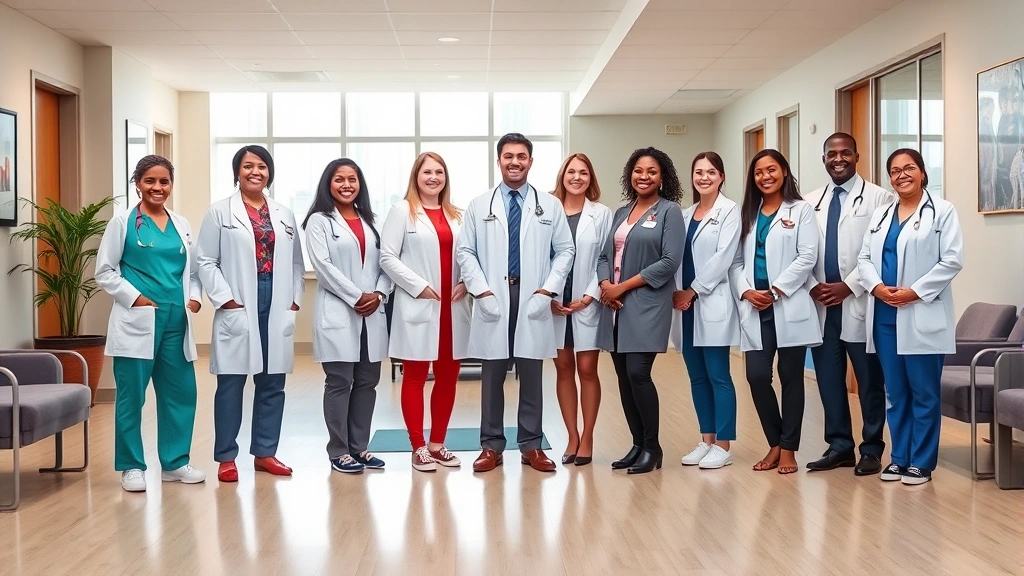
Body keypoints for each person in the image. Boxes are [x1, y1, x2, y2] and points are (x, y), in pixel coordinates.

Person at [456, 132, 575, 474]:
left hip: (532, 297)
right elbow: (465, 251)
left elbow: (565, 250)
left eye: (521, 156)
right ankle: (491, 446)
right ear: (499, 161)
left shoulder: (549, 205)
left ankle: (532, 446)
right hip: (493, 295)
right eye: (508, 156)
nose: (515, 162)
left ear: (531, 162)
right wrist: (481, 291)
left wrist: (548, 290)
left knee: (531, 375)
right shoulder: (480, 205)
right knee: (492, 375)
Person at [95, 155, 206, 492]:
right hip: (138, 320)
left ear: (171, 185)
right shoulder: (123, 222)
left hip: (176, 320)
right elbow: (104, 271)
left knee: (181, 393)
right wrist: (136, 298)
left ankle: (174, 463)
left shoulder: (181, 223)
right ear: (138, 184)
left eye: (164, 182)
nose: (158, 188)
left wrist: (196, 297)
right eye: (150, 181)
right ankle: (131, 466)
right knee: (132, 397)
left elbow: (196, 270)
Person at [196, 145, 304, 483]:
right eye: (247, 166)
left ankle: (265, 452)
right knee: (231, 382)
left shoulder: (284, 214)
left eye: (261, 166)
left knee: (273, 381)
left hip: (277, 298)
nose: (255, 172)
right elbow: (205, 261)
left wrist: (294, 299)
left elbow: (298, 263)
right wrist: (225, 299)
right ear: (237, 172)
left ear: (269, 172)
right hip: (239, 298)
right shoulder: (219, 212)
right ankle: (227, 457)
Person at [859, 148, 963, 485]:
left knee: (924, 392)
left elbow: (951, 260)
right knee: (896, 392)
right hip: (885, 316)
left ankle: (921, 462)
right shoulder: (881, 215)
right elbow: (864, 258)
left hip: (921, 312)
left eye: (909, 168)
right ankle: (899, 458)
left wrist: (914, 292)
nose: (902, 175)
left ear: (922, 172)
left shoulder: (942, 212)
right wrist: (876, 287)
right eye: (894, 170)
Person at [803, 133, 893, 476]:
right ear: (823, 158)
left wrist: (848, 286)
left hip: (860, 301)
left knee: (870, 382)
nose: (837, 159)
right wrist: (812, 286)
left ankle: (871, 449)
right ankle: (839, 446)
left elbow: (880, 252)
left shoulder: (879, 198)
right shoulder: (810, 201)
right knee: (828, 380)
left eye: (844, 153)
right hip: (823, 305)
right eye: (831, 154)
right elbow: (804, 252)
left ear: (857, 156)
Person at [729, 148, 821, 475]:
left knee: (791, 378)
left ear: (784, 171)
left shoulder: (801, 210)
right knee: (756, 377)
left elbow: (807, 256)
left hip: (787, 303)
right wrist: (745, 290)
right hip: (755, 307)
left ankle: (788, 449)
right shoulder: (747, 214)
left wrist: (776, 289)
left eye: (771, 170)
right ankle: (775, 442)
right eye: (758, 172)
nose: (765, 177)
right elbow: (736, 262)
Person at [596, 147, 686, 475]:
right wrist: (606, 285)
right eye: (638, 170)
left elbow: (668, 262)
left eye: (651, 171)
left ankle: (653, 447)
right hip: (615, 305)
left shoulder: (669, 212)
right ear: (629, 175)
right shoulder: (622, 212)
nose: (643, 176)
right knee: (623, 376)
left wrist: (623, 286)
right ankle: (636, 444)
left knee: (638, 372)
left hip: (646, 304)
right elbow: (604, 255)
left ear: (663, 177)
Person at [380, 152, 469, 473]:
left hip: (453, 308)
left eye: (439, 172)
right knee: (416, 377)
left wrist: (467, 283)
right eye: (427, 172)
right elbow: (387, 257)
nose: (433, 177)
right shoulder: (402, 211)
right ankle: (418, 446)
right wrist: (418, 285)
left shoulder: (457, 215)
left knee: (448, 377)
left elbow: (471, 256)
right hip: (420, 304)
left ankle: (438, 444)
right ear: (416, 176)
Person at [304, 158, 392, 474]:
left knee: (368, 381)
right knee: (340, 381)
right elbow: (323, 267)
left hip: (372, 311)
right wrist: (357, 296)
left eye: (352, 179)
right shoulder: (318, 221)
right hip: (340, 310)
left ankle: (360, 447)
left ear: (360, 184)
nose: (346, 185)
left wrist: (380, 294)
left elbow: (387, 263)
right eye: (339, 179)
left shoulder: (372, 221)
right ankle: (339, 450)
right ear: (328, 184)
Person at [670, 151, 740, 470]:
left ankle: (723, 445)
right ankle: (707, 439)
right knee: (697, 377)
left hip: (709, 301)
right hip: (684, 307)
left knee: (718, 375)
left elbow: (723, 258)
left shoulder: (730, 211)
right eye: (699, 172)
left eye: (711, 172)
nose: (704, 177)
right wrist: (680, 295)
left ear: (721, 177)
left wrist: (693, 291)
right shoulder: (685, 215)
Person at [550, 153, 612, 467]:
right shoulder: (547, 210)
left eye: (583, 172)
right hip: (555, 304)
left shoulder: (601, 214)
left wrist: (589, 296)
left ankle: (587, 437)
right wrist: (548, 296)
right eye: (571, 171)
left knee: (587, 370)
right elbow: (540, 257)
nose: (577, 177)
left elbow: (605, 257)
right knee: (563, 369)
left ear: (591, 178)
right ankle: (571, 436)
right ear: (562, 175)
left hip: (588, 303)